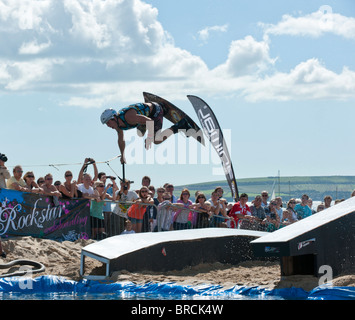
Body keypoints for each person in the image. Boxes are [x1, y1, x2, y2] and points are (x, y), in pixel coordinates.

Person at [101, 101, 196, 164]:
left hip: (155, 111)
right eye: (106, 124)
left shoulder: (129, 117)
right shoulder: (118, 125)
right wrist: (123, 155)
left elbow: (150, 122)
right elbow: (121, 140)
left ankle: (181, 125)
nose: (108, 125)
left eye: (108, 122)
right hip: (144, 117)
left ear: (114, 118)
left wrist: (150, 137)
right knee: (140, 133)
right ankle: (152, 117)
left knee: (156, 140)